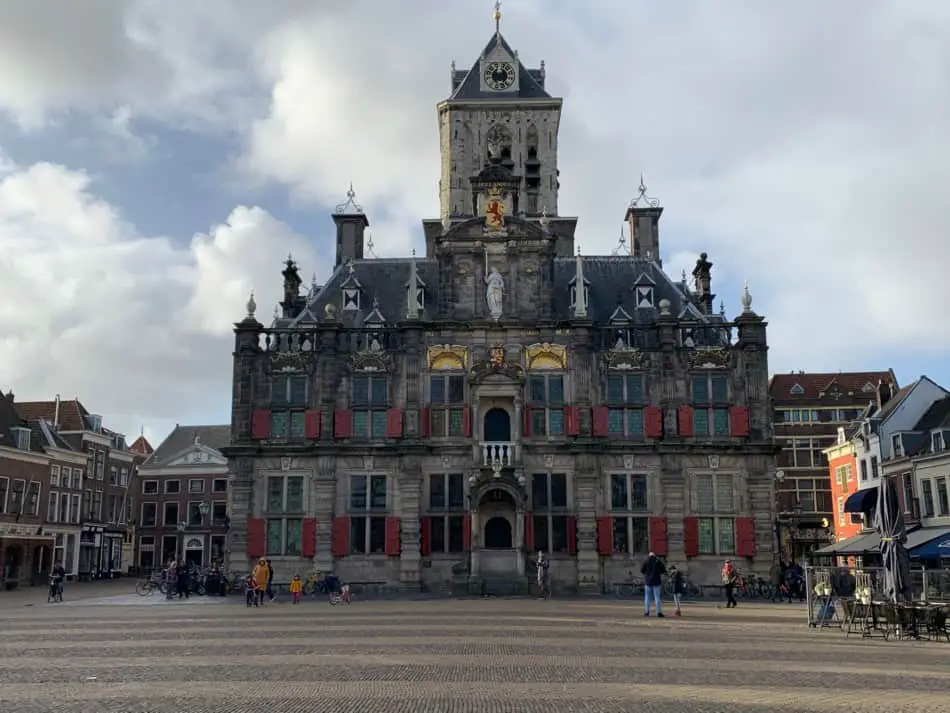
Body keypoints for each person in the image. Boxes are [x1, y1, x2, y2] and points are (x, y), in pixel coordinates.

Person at [640, 551, 666, 617]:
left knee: (647, 597)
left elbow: (642, 570)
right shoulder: (657, 561)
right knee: (657, 597)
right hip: (656, 582)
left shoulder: (646, 561)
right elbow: (663, 570)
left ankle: (647, 612)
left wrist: (647, 574)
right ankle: (658, 612)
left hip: (648, 582)